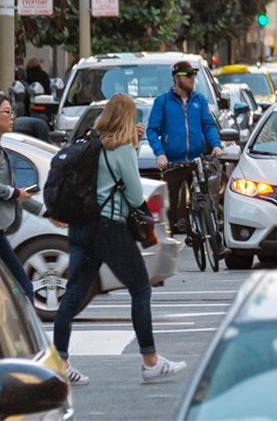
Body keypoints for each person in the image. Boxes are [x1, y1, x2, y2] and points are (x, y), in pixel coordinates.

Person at [53, 93, 187, 385]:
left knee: (73, 294)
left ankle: (59, 361)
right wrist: (133, 148)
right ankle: (150, 361)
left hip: (80, 226)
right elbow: (135, 195)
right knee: (140, 289)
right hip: (108, 229)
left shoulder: (91, 143)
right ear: (128, 118)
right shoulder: (123, 147)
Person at [146, 61, 223, 241]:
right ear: (176, 78)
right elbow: (152, 130)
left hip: (196, 159)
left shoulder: (199, 100)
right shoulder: (163, 102)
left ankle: (214, 241)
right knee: (171, 204)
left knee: (206, 199)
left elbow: (208, 126)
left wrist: (216, 145)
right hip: (173, 161)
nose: (192, 79)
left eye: (193, 75)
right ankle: (167, 238)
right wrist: (160, 153)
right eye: (188, 75)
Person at [0, 93, 49, 304]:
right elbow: (11, 191)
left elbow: (17, 192)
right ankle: (27, 335)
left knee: (13, 287)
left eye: (12, 112)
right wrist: (14, 193)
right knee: (22, 286)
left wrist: (45, 212)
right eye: (6, 112)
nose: (12, 116)